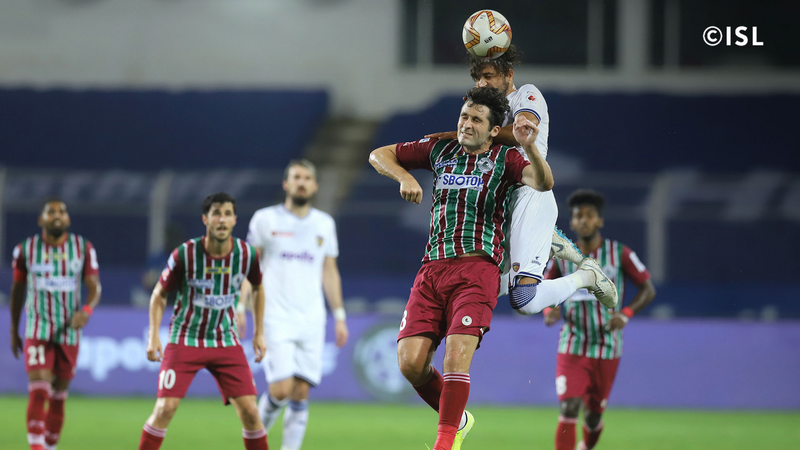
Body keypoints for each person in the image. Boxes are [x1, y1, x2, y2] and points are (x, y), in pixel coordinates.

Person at [369, 86, 552, 450]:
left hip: (477, 270)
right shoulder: (440, 150)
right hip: (432, 269)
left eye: (477, 120)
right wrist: (404, 176)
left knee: (456, 355)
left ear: (494, 129)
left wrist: (529, 146)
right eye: (464, 116)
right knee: (410, 363)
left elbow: (543, 182)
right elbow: (379, 154)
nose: (467, 124)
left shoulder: (506, 159)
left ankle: (445, 442)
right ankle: (459, 420)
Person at [426, 45, 618, 314]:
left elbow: (522, 130)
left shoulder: (527, 95)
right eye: (478, 78)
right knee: (477, 285)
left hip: (530, 195)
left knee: (525, 300)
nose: (482, 83)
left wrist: (467, 133)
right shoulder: (484, 113)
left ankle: (587, 276)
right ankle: (548, 242)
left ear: (509, 74)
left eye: (489, 76)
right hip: (499, 202)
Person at [139, 192, 268, 450]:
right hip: (186, 338)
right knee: (165, 408)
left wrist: (259, 333)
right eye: (216, 213)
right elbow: (159, 294)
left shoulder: (246, 254)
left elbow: (258, 288)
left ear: (234, 220)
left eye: (227, 214)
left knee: (251, 413)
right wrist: (153, 335)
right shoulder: (185, 254)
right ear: (205, 219)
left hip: (225, 339)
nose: (222, 219)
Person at [543, 189, 657, 450]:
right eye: (578, 216)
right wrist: (549, 311)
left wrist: (626, 314)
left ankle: (586, 445)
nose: (584, 220)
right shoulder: (562, 256)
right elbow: (544, 289)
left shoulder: (620, 254)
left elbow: (648, 289)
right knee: (569, 406)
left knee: (593, 416)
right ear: (572, 223)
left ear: (599, 221)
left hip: (607, 345)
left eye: (589, 215)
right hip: (572, 342)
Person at [247, 159, 349, 450]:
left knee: (301, 391)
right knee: (280, 389)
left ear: (314, 186)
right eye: (296, 177)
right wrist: (241, 307)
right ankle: (253, 442)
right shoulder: (265, 219)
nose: (301, 182)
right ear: (286, 184)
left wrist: (339, 315)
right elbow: (250, 268)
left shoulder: (324, 224)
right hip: (275, 316)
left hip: (311, 318)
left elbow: (330, 271)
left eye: (306, 178)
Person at [9, 198, 101, 450]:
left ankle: (50, 447)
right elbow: (17, 290)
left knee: (59, 396)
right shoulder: (25, 249)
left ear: (68, 219)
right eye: (51, 212)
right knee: (39, 390)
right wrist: (13, 329)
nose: (57, 215)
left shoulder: (83, 248)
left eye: (62, 211)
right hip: (37, 328)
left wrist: (86, 311)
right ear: (41, 219)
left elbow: (94, 287)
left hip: (69, 331)